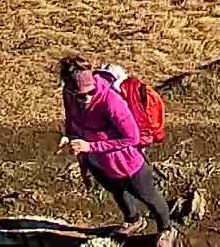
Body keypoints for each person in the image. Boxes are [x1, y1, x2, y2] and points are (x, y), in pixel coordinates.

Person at [59, 54, 181, 246]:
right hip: (98, 161)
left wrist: (91, 146)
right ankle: (134, 220)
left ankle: (167, 228)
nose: (86, 99)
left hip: (127, 162)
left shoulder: (110, 100)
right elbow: (71, 118)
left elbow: (132, 137)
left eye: (90, 93)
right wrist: (70, 134)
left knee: (149, 196)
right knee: (117, 191)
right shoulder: (69, 94)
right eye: (80, 96)